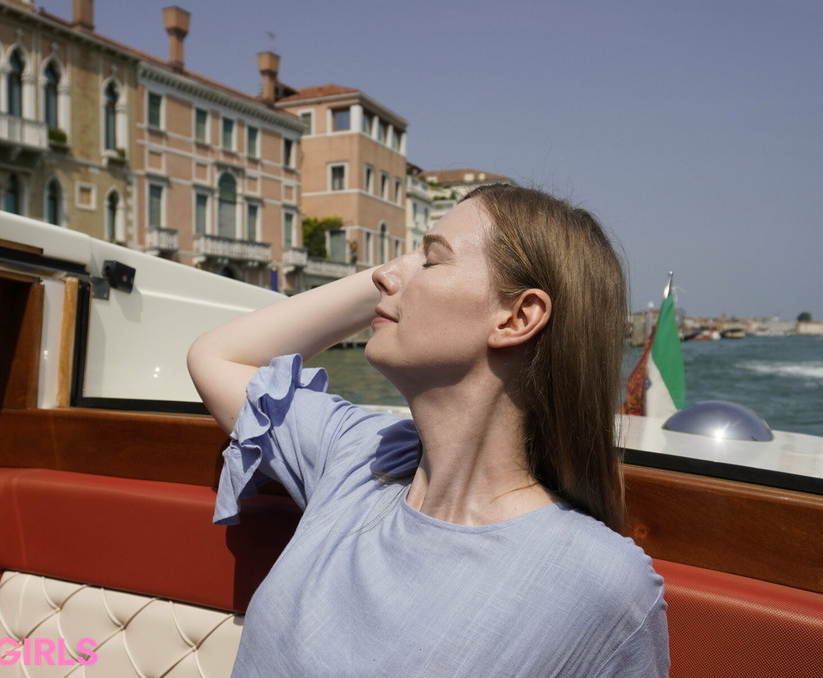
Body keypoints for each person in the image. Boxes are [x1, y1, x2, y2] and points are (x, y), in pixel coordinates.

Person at [187, 184, 669, 677]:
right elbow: (216, 357)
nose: (382, 273)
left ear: (518, 317)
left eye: (433, 260)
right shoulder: (359, 456)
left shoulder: (604, 585)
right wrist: (399, 283)